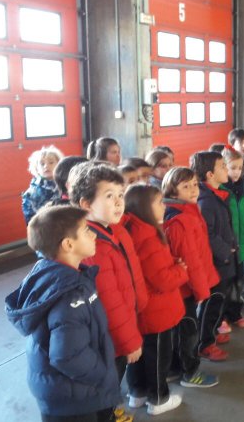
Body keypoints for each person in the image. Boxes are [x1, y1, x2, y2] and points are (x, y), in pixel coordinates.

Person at [5, 205, 128, 422]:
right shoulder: (70, 293)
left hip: (68, 390)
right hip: (72, 397)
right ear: (68, 244)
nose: (93, 234)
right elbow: (67, 355)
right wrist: (103, 374)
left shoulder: (61, 276)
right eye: (86, 231)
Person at [72, 163, 147, 416]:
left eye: (120, 195)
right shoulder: (93, 248)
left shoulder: (114, 229)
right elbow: (109, 300)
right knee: (107, 384)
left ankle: (111, 411)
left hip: (123, 323)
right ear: (85, 204)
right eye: (109, 196)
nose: (118, 203)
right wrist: (129, 340)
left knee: (113, 381)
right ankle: (108, 414)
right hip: (110, 337)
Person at [122, 184, 188, 415]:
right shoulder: (149, 237)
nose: (164, 206)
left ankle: (137, 393)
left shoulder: (132, 230)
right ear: (144, 208)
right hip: (158, 310)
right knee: (159, 356)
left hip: (142, 309)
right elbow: (163, 280)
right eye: (159, 202)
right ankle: (158, 399)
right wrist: (181, 270)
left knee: (138, 355)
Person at [161, 167, 222, 384]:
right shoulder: (181, 221)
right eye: (185, 186)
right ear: (172, 191)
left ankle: (176, 368)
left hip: (187, 285)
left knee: (183, 329)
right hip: (185, 287)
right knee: (189, 331)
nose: (193, 189)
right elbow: (191, 261)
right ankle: (190, 373)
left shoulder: (189, 212)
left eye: (195, 184)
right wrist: (202, 289)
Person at [190, 151, 237, 360]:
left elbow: (223, 226)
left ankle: (212, 332)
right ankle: (205, 344)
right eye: (223, 166)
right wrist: (225, 251)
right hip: (216, 263)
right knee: (212, 303)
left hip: (223, 260)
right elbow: (207, 233)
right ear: (210, 174)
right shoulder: (206, 201)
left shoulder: (217, 195)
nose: (227, 169)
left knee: (219, 301)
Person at [220, 148, 244, 327]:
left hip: (240, 244)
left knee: (238, 281)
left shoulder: (243, 188)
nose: (236, 172)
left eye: (239, 168)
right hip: (227, 248)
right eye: (232, 167)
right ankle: (222, 316)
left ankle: (235, 312)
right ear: (223, 168)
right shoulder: (221, 191)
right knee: (225, 283)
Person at [21, 146, 63, 224]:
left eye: (51, 162)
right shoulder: (32, 192)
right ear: (36, 168)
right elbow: (30, 219)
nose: (46, 166)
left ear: (59, 164)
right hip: (45, 228)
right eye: (42, 164)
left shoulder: (64, 184)